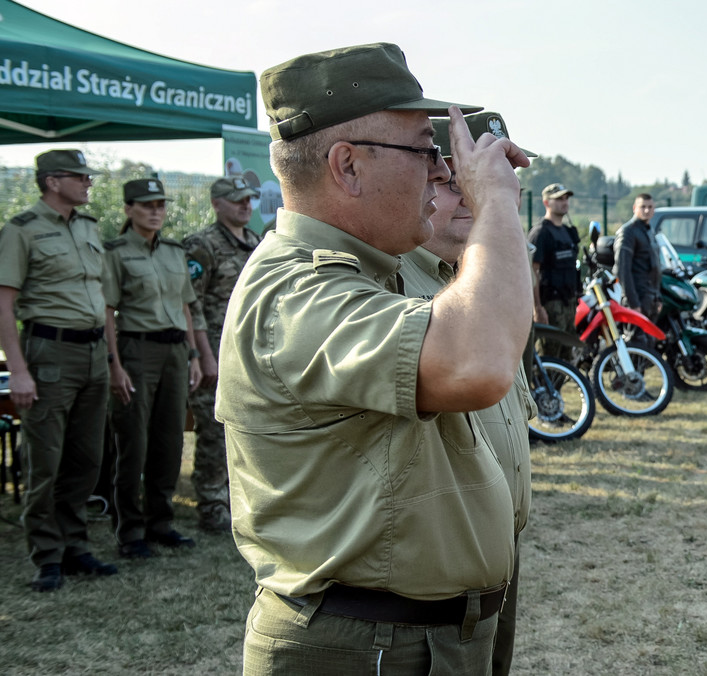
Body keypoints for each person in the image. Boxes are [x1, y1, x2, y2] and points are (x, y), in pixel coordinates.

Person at [215, 42, 531, 674]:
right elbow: (478, 363)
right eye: (425, 150)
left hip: (419, 636)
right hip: (364, 645)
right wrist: (494, 201)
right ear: (348, 167)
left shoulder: (374, 275)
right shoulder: (296, 292)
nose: (444, 169)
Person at [403, 110, 536, 676]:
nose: (470, 199)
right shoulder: (394, 284)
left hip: (494, 561)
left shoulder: (467, 279)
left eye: (477, 182)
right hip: (431, 581)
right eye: (449, 181)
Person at [0, 149, 118, 591]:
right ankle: (47, 556)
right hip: (49, 351)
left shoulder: (87, 227)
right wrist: (19, 369)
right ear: (52, 181)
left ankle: (75, 546)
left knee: (86, 458)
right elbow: (4, 304)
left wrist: (109, 357)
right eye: (81, 176)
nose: (89, 183)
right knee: (45, 460)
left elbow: (100, 299)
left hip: (91, 353)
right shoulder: (21, 230)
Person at [102, 179, 203, 559]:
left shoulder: (174, 251)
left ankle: (160, 523)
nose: (156, 211)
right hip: (136, 349)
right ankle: (130, 531)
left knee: (170, 440)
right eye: (147, 205)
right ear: (129, 209)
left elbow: (186, 306)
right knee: (134, 442)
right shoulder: (114, 252)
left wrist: (193, 354)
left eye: (160, 204)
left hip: (175, 350)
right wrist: (115, 365)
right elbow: (107, 311)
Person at [182, 174, 261, 533]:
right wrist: (202, 355)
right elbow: (190, 303)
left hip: (251, 352)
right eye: (236, 200)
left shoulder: (257, 243)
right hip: (214, 349)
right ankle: (212, 504)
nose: (245, 205)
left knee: (251, 428)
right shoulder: (202, 245)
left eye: (248, 199)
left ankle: (241, 501)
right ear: (216, 204)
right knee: (214, 431)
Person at [528, 182, 580, 360]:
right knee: (550, 356)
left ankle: (557, 388)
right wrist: (537, 308)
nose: (564, 202)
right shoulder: (540, 232)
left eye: (566, 198)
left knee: (567, 357)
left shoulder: (567, 231)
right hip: (550, 304)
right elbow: (532, 272)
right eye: (558, 199)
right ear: (546, 203)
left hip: (568, 303)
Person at [614, 193, 661, 322]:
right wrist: (633, 303)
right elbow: (622, 270)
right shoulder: (628, 232)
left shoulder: (649, 231)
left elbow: (655, 267)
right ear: (635, 208)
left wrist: (658, 297)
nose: (647, 210)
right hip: (637, 297)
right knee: (636, 340)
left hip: (650, 297)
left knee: (649, 340)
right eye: (643, 207)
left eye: (650, 207)